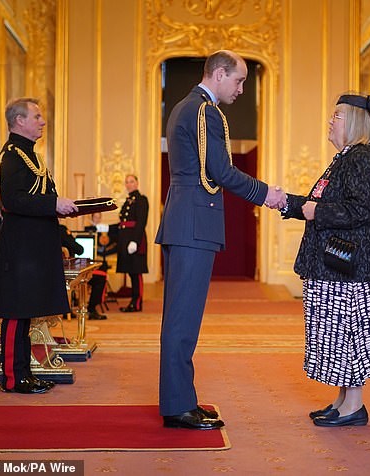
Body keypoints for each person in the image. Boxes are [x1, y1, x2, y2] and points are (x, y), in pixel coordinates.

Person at [155, 50, 286, 430]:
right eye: (239, 80)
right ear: (218, 73)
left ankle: (181, 400)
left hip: (188, 220)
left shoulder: (189, 107)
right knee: (182, 321)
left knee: (182, 319)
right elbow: (222, 172)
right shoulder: (204, 111)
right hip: (193, 223)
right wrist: (268, 194)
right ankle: (178, 408)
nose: (242, 89)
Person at [282, 93, 370, 427]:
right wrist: (285, 202)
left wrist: (318, 211)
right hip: (338, 265)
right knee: (338, 333)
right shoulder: (345, 158)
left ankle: (354, 405)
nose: (330, 121)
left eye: (336, 117)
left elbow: (363, 209)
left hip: (350, 268)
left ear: (355, 122)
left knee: (350, 332)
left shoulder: (361, 158)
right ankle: (343, 399)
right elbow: (318, 204)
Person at [0, 97, 78, 394]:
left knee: (26, 312)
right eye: (37, 116)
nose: (42, 121)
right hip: (20, 248)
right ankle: (13, 378)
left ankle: (24, 373)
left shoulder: (30, 155)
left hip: (33, 247)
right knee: (17, 312)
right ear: (20, 121)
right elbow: (14, 200)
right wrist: (55, 203)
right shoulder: (12, 156)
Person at [117, 174, 148, 313]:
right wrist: (103, 228)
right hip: (125, 240)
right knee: (131, 272)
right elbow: (122, 224)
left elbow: (141, 222)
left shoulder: (141, 200)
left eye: (131, 181)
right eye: (127, 182)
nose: (129, 184)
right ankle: (133, 302)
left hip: (135, 240)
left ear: (137, 183)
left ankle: (136, 302)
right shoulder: (127, 201)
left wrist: (135, 241)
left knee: (136, 272)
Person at [84, 212, 117, 320]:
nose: (97, 219)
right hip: (89, 263)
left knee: (103, 272)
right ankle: (92, 308)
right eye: (95, 217)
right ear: (91, 217)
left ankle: (93, 306)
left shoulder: (104, 230)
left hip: (100, 261)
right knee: (100, 278)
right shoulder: (87, 230)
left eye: (99, 217)